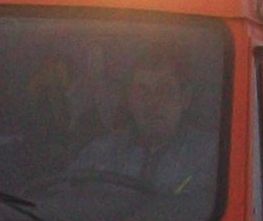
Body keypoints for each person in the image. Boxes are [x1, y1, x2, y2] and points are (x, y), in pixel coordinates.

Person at [68, 50, 218, 211]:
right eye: (142, 91)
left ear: (185, 98)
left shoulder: (213, 156)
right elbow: (64, 201)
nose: (152, 102)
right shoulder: (99, 153)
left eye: (164, 90)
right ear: (129, 100)